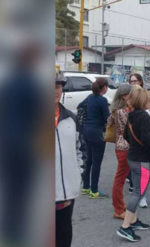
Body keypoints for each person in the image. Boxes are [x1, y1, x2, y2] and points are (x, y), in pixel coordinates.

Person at [116, 86, 150, 242]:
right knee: (138, 192)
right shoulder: (145, 117)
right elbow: (148, 140)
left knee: (137, 190)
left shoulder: (132, 115)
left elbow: (127, 136)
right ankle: (126, 226)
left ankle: (134, 221)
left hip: (133, 157)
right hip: (142, 161)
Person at [55, 74, 82, 247]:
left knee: (64, 236)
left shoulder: (71, 118)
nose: (54, 91)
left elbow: (80, 150)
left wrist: (77, 174)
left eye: (58, 86)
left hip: (66, 192)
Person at [81, 78, 110, 198]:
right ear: (104, 88)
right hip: (97, 132)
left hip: (86, 131)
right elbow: (107, 118)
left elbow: (79, 106)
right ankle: (94, 190)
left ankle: (86, 187)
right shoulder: (102, 100)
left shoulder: (89, 97)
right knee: (97, 162)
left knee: (89, 160)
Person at [109, 84, 132, 220]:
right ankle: (118, 209)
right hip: (124, 147)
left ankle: (120, 205)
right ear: (124, 96)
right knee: (120, 179)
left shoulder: (115, 110)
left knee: (121, 178)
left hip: (121, 146)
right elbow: (129, 128)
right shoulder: (122, 111)